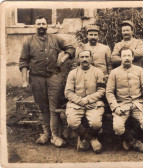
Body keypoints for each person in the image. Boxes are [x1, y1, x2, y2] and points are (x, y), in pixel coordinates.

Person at [19, 16, 75, 147]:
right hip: (36, 78)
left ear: (47, 25)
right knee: (42, 107)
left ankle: (55, 136)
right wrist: (24, 81)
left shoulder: (55, 39)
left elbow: (71, 48)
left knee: (54, 108)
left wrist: (62, 59)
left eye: (43, 24)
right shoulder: (28, 42)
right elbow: (23, 62)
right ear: (35, 26)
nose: (41, 26)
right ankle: (46, 134)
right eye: (38, 24)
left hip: (53, 77)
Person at [106, 47, 143, 153]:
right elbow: (109, 92)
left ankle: (131, 138)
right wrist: (115, 107)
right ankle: (132, 141)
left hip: (138, 104)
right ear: (120, 58)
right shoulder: (114, 72)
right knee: (118, 128)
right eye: (124, 56)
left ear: (132, 57)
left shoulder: (140, 70)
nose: (127, 58)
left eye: (129, 56)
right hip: (122, 104)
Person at [64, 50, 105, 154]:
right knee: (72, 122)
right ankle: (91, 139)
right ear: (78, 59)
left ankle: (85, 139)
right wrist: (79, 100)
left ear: (91, 58)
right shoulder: (73, 73)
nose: (84, 59)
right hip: (76, 104)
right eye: (82, 57)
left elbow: (102, 90)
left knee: (96, 123)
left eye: (87, 57)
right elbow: (68, 92)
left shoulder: (98, 72)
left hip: (93, 103)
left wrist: (88, 99)